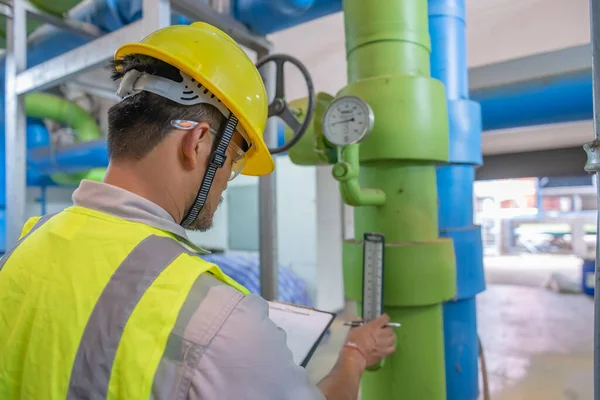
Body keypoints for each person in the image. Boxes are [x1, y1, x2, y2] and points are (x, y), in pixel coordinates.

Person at [0, 22, 396, 399]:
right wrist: (354, 354)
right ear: (200, 142)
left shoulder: (23, 249)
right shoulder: (218, 318)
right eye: (236, 159)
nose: (228, 179)